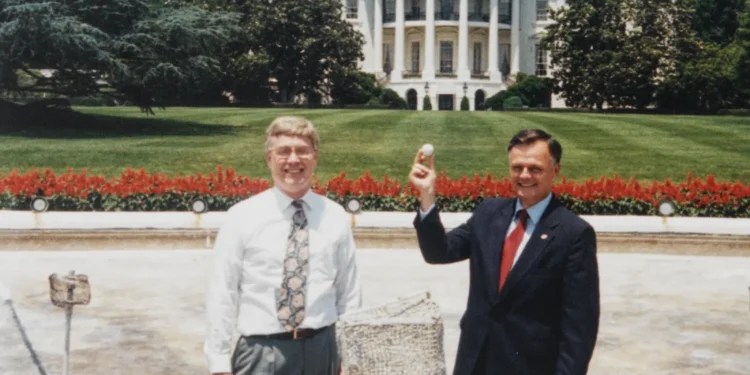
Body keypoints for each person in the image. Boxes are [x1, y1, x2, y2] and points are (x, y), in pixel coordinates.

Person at [408, 129, 600, 375]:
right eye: (517, 167)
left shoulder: (573, 234)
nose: (524, 175)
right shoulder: (489, 213)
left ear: (556, 170)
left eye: (535, 169)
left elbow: (579, 328)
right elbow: (439, 252)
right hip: (475, 360)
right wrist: (427, 195)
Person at [204, 116, 361, 375]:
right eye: (283, 151)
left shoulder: (335, 217)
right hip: (261, 351)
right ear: (269, 159)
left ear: (315, 157)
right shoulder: (241, 216)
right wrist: (219, 362)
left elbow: (349, 292)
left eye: (302, 151)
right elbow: (223, 291)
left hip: (323, 350)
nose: (293, 160)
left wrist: (352, 355)